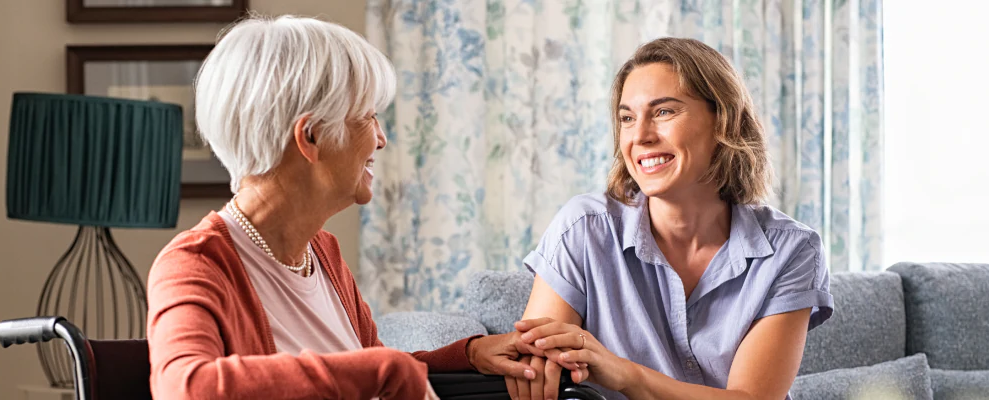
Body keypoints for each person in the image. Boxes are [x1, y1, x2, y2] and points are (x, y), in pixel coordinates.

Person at [146, 15, 537, 400]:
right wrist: (386, 369)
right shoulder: (195, 263)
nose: (381, 140)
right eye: (368, 117)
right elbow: (186, 387)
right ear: (311, 136)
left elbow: (359, 370)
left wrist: (467, 354)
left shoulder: (322, 252)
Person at [507, 38, 835, 400]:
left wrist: (627, 375)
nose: (641, 136)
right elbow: (538, 372)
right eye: (627, 118)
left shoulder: (791, 251)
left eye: (663, 112)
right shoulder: (583, 230)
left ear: (723, 121)